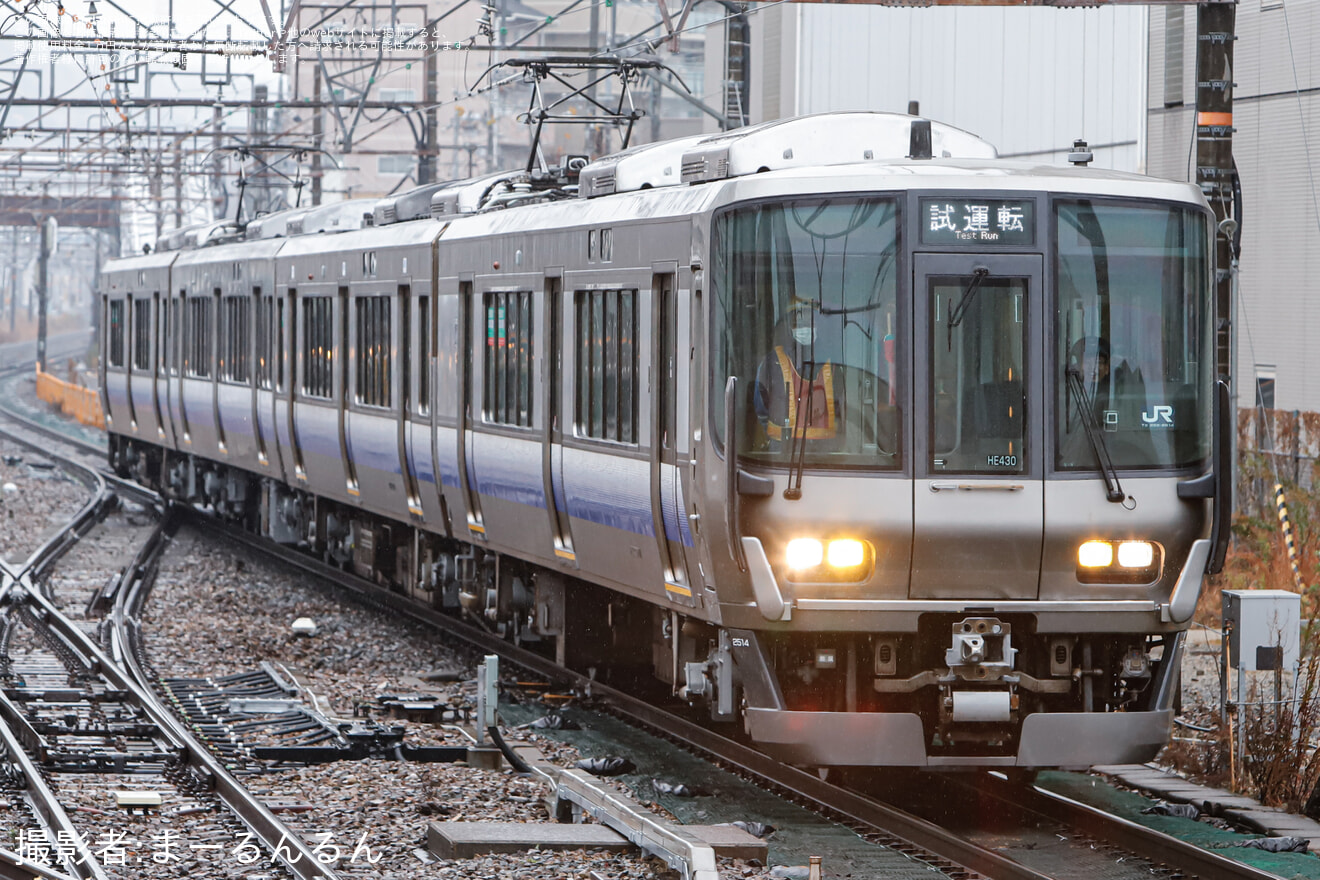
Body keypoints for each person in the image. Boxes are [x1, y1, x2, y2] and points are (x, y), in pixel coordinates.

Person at [754, 302, 841, 446]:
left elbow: (841, 405)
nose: (804, 327)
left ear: (817, 325)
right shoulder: (771, 362)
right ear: (790, 326)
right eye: (798, 322)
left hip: (825, 452)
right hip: (783, 450)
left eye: (809, 322)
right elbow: (760, 404)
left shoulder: (833, 363)